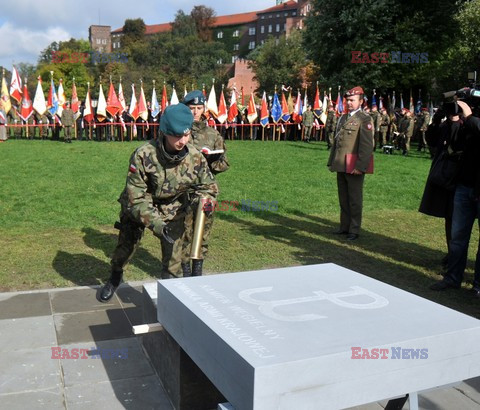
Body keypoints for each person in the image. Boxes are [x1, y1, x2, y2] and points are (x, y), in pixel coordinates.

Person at [98, 103, 218, 302]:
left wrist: (204, 202)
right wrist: (158, 226)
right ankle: (114, 278)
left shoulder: (195, 157)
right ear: (164, 132)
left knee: (174, 261)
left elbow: (208, 187)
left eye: (186, 135)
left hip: (174, 208)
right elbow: (136, 197)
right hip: (139, 207)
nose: (182, 141)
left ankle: (171, 300)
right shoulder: (144, 155)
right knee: (125, 249)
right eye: (177, 136)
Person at [430, 100, 480, 298]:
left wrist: (468, 116)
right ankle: (452, 278)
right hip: (464, 185)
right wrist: (452, 120)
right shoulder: (469, 120)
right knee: (458, 237)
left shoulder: (472, 119)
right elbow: (454, 144)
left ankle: (477, 285)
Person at [181, 90, 229, 276]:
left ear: (204, 109)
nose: (195, 112)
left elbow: (224, 163)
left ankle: (197, 271)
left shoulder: (213, 135)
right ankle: (184, 269)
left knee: (203, 231)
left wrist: (211, 161)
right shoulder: (178, 132)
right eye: (191, 108)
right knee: (183, 232)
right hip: (182, 189)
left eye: (198, 108)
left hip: (205, 190)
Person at [327, 86, 374, 241]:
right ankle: (344, 226)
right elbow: (336, 142)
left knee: (354, 199)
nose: (349, 103)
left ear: (360, 101)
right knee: (343, 198)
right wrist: (331, 161)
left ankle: (354, 229)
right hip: (341, 163)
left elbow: (366, 146)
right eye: (348, 100)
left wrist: (360, 167)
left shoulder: (364, 119)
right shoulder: (342, 118)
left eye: (352, 100)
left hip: (354, 165)